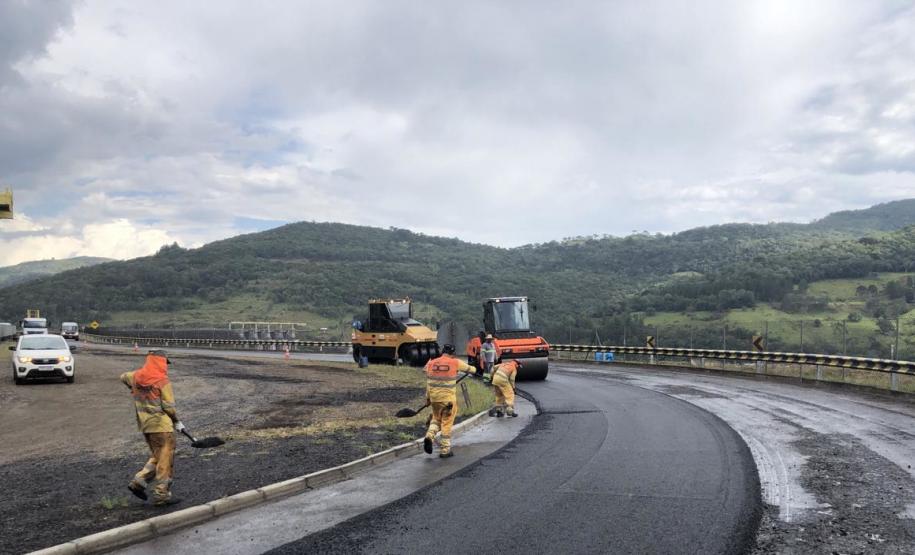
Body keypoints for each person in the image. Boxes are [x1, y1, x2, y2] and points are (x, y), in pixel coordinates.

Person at [120, 350, 185, 506]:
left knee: (158, 455)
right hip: (162, 426)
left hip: (146, 425)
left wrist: (135, 387)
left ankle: (139, 482)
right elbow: (169, 407)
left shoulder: (135, 376)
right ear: (160, 362)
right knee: (166, 458)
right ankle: (161, 494)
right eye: (164, 363)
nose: (166, 366)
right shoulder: (162, 381)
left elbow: (122, 377)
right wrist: (177, 421)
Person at [423, 344, 474, 458]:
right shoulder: (455, 362)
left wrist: (428, 399)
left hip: (435, 399)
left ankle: (429, 436)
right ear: (452, 353)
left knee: (436, 419)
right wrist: (473, 370)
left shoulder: (431, 363)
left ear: (442, 351)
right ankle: (445, 450)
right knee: (446, 422)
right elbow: (472, 369)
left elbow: (428, 383)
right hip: (448, 401)